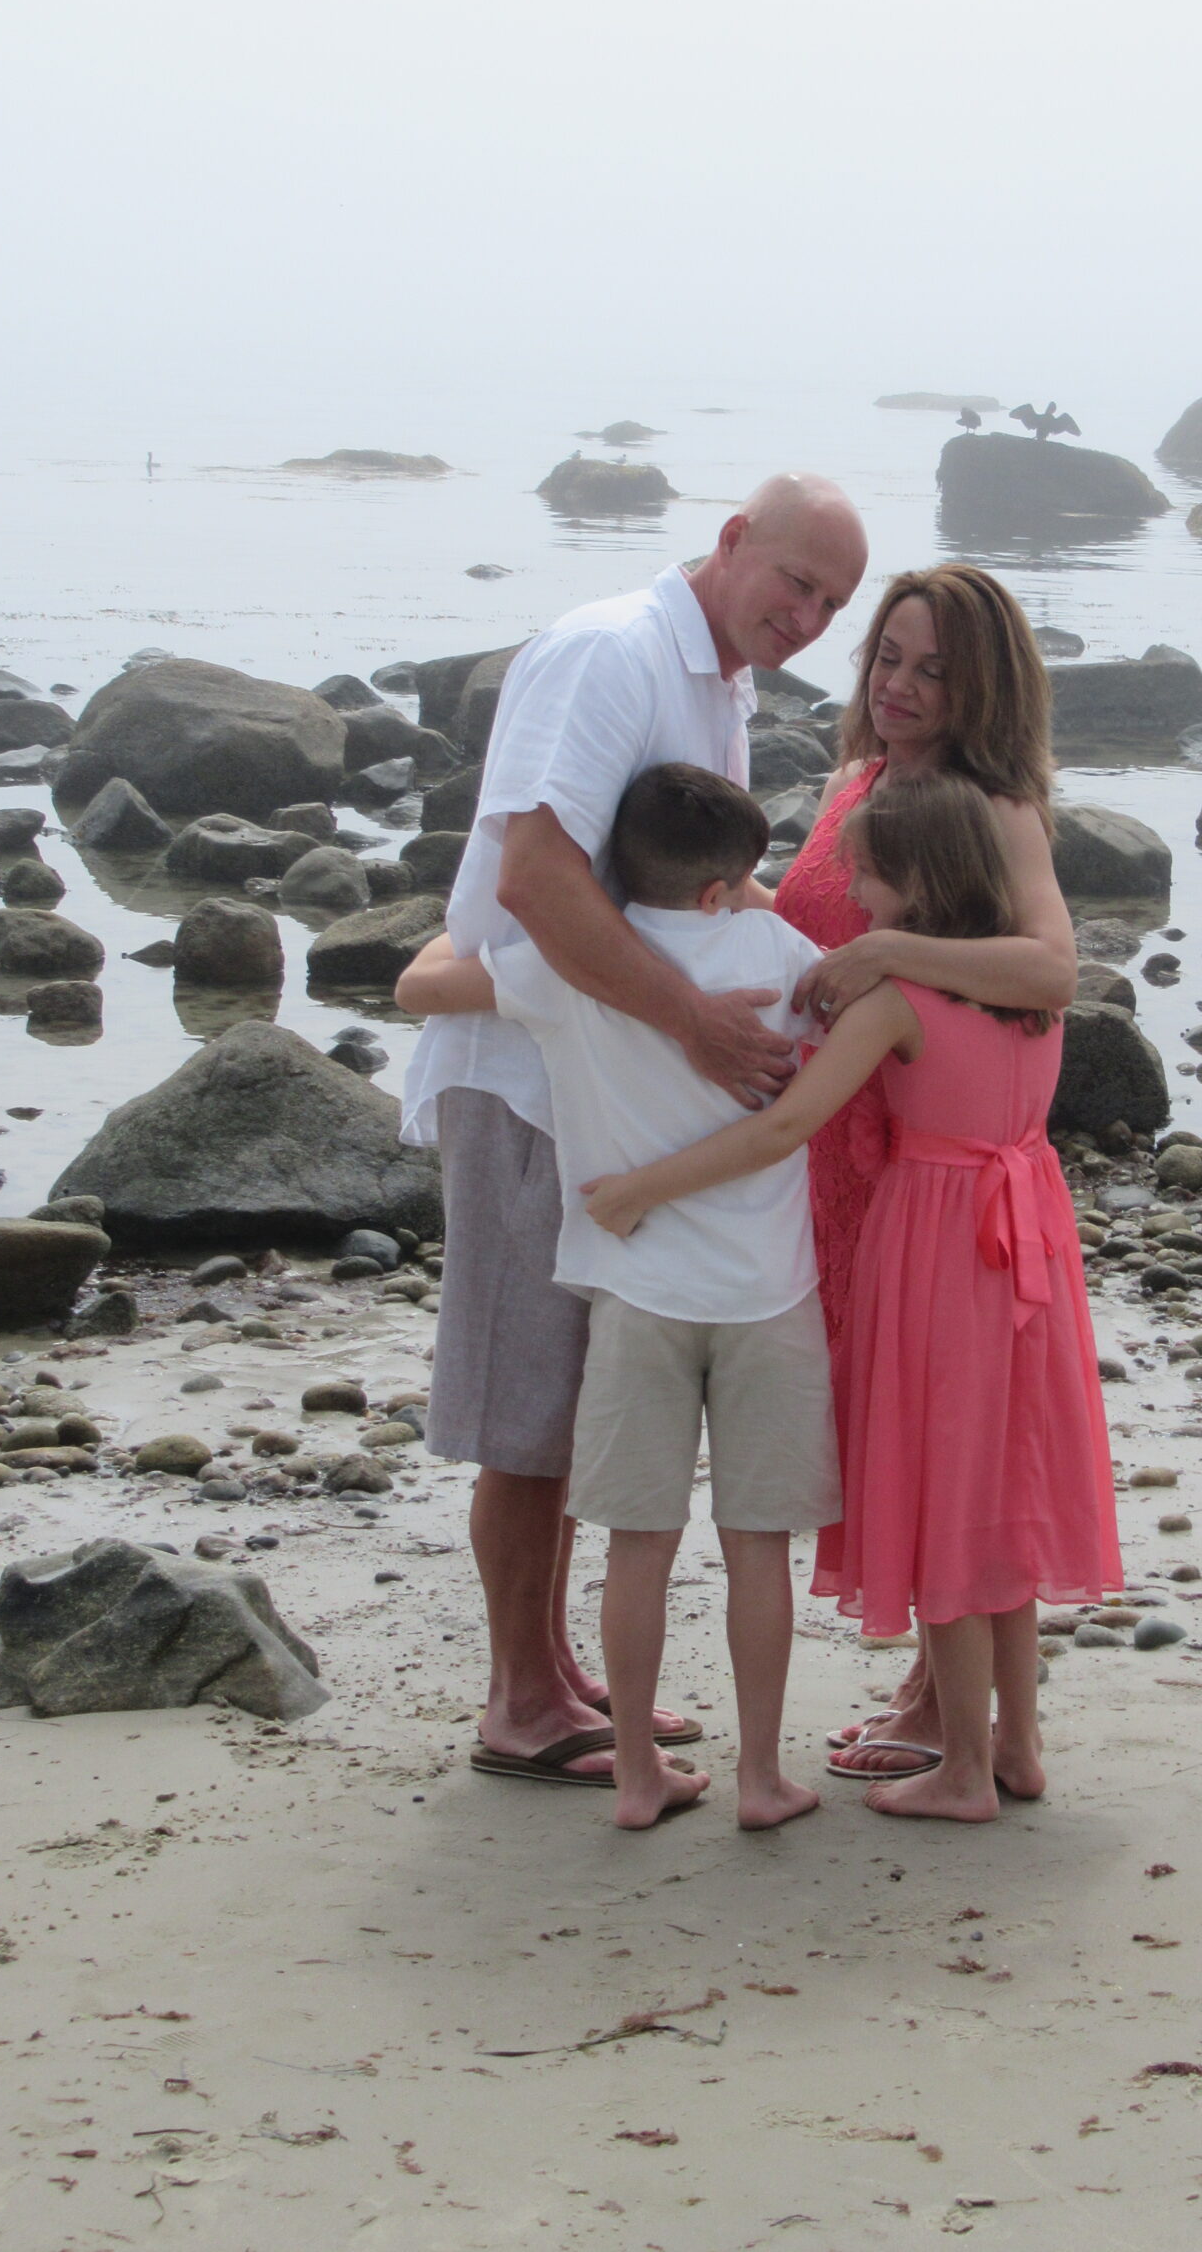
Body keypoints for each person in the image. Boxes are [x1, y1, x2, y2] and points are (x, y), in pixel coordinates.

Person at [397, 474, 868, 1787]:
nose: (811, 614)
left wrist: (830, 966)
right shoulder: (611, 652)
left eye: (833, 601)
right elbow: (538, 879)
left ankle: (555, 1670)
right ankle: (520, 1700)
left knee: (572, 1400)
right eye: (795, 580)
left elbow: (696, 887)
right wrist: (699, 1029)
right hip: (529, 1076)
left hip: (604, 1081)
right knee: (524, 1404)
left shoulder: (718, 684)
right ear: (730, 545)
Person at [582, 771, 1123, 1824]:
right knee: (1008, 1486)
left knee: (948, 1502)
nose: (852, 893)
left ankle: (963, 1769)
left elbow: (788, 1125)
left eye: (864, 873)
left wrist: (644, 1186)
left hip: (942, 1242)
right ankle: (1018, 1743)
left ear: (916, 882)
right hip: (1034, 1243)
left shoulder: (896, 1004)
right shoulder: (1036, 994)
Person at [772, 565, 1074, 1773]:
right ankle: (942, 1698)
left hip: (924, 1170)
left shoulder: (991, 808)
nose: (898, 685)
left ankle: (948, 1709)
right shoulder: (857, 782)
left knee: (955, 1436)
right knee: (881, 1429)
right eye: (885, 657)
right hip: (833, 1159)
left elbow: (1051, 973)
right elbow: (805, 926)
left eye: (931, 668)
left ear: (979, 686)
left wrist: (893, 946)